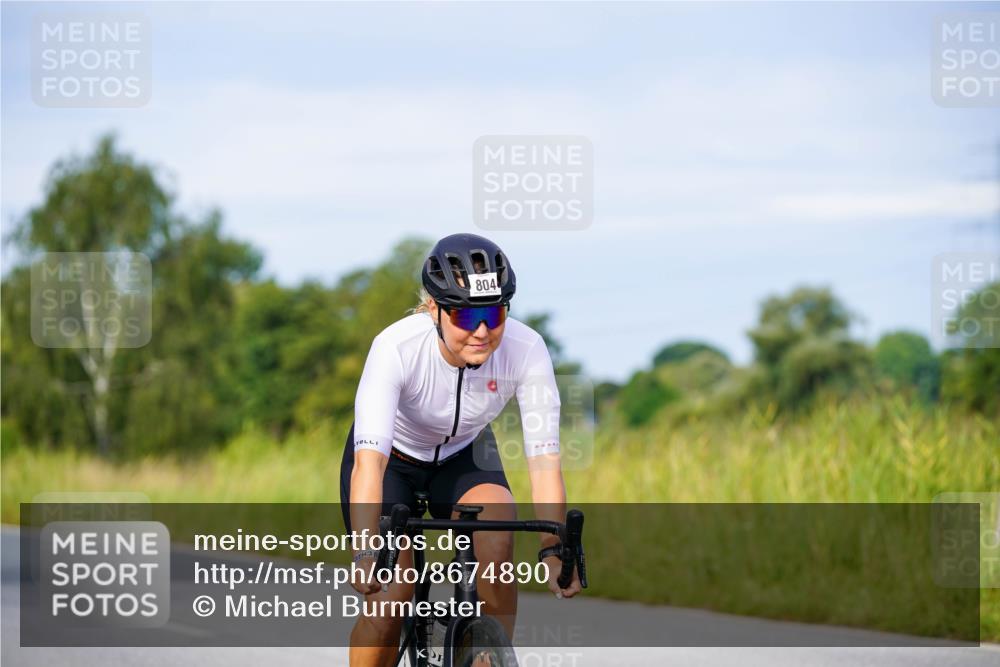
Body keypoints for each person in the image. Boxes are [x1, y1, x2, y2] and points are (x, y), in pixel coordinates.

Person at [340, 233, 582, 667]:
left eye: (494, 312)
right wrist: (365, 549)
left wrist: (552, 546)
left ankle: (486, 655)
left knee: (498, 527)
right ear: (433, 308)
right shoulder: (396, 348)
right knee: (392, 596)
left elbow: (544, 461)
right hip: (392, 461)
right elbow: (368, 464)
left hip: (463, 455)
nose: (483, 331)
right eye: (465, 316)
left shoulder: (526, 350)